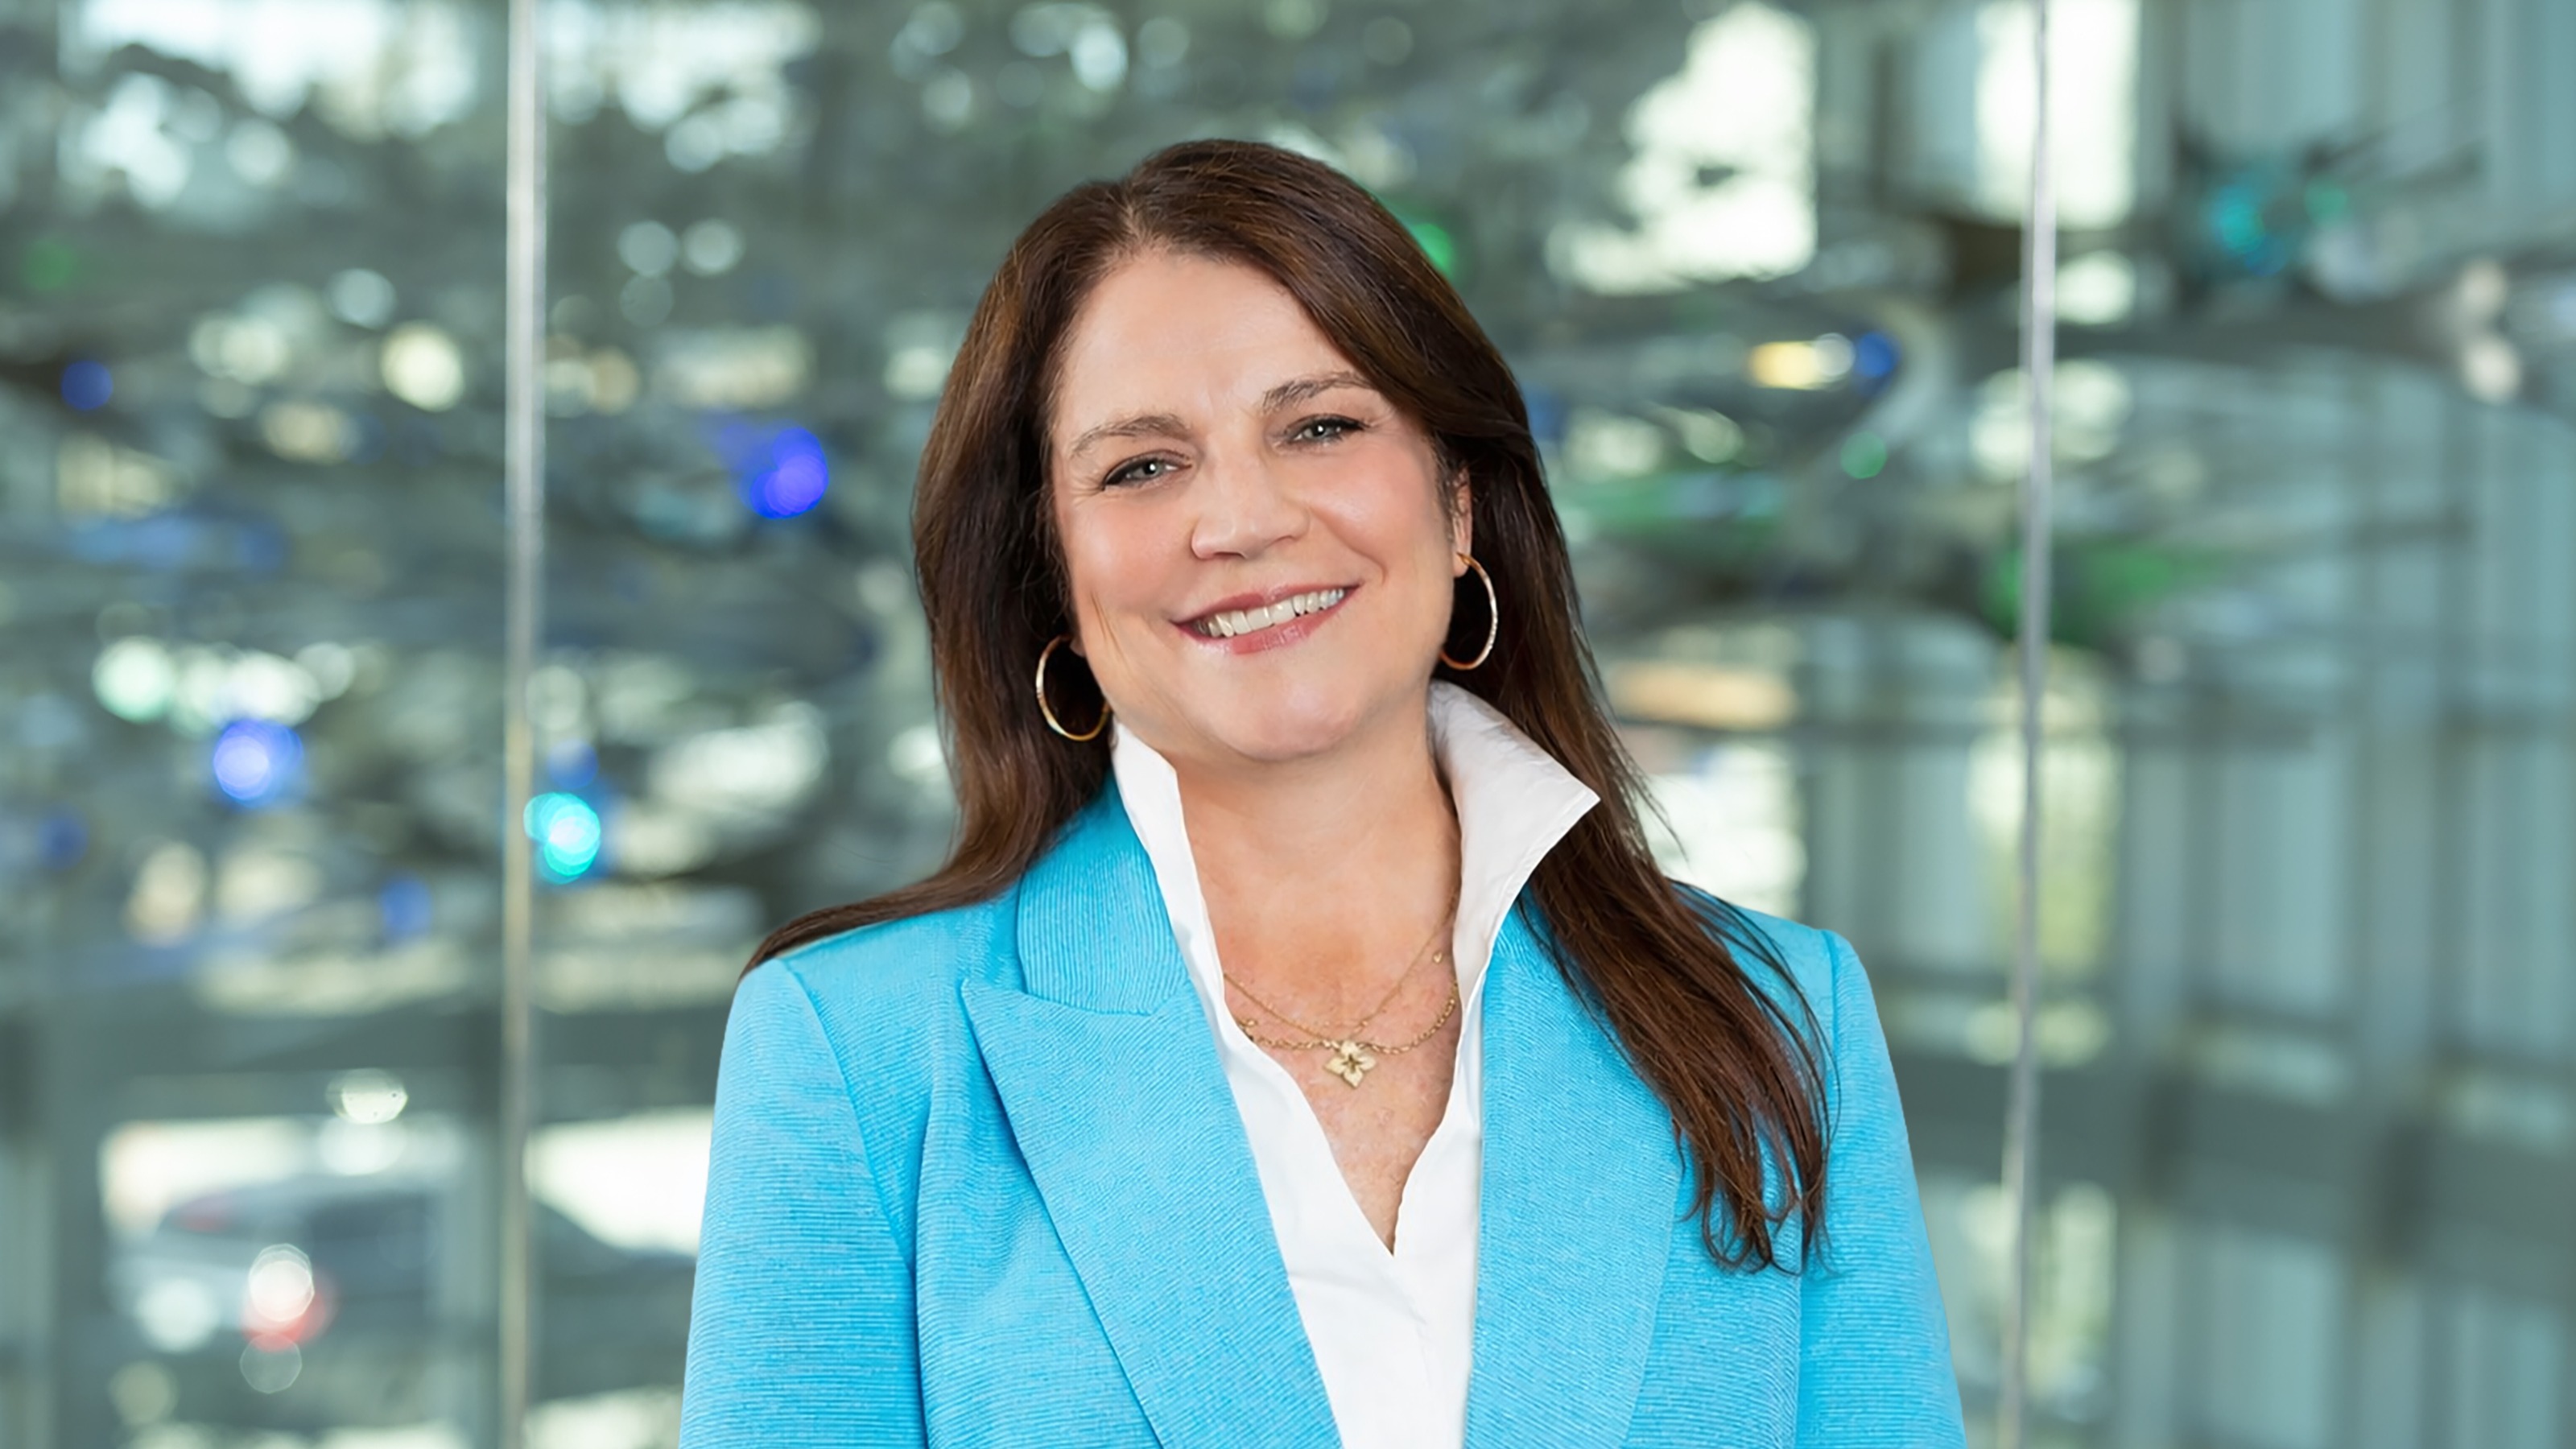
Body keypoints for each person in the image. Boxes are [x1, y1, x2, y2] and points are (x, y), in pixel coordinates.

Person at [679, 138, 1964, 1449]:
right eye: (1140, 466)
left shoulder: (1778, 1023)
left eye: (1321, 427)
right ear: (1050, 577)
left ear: (1460, 505)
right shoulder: (856, 1055)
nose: (1241, 520)